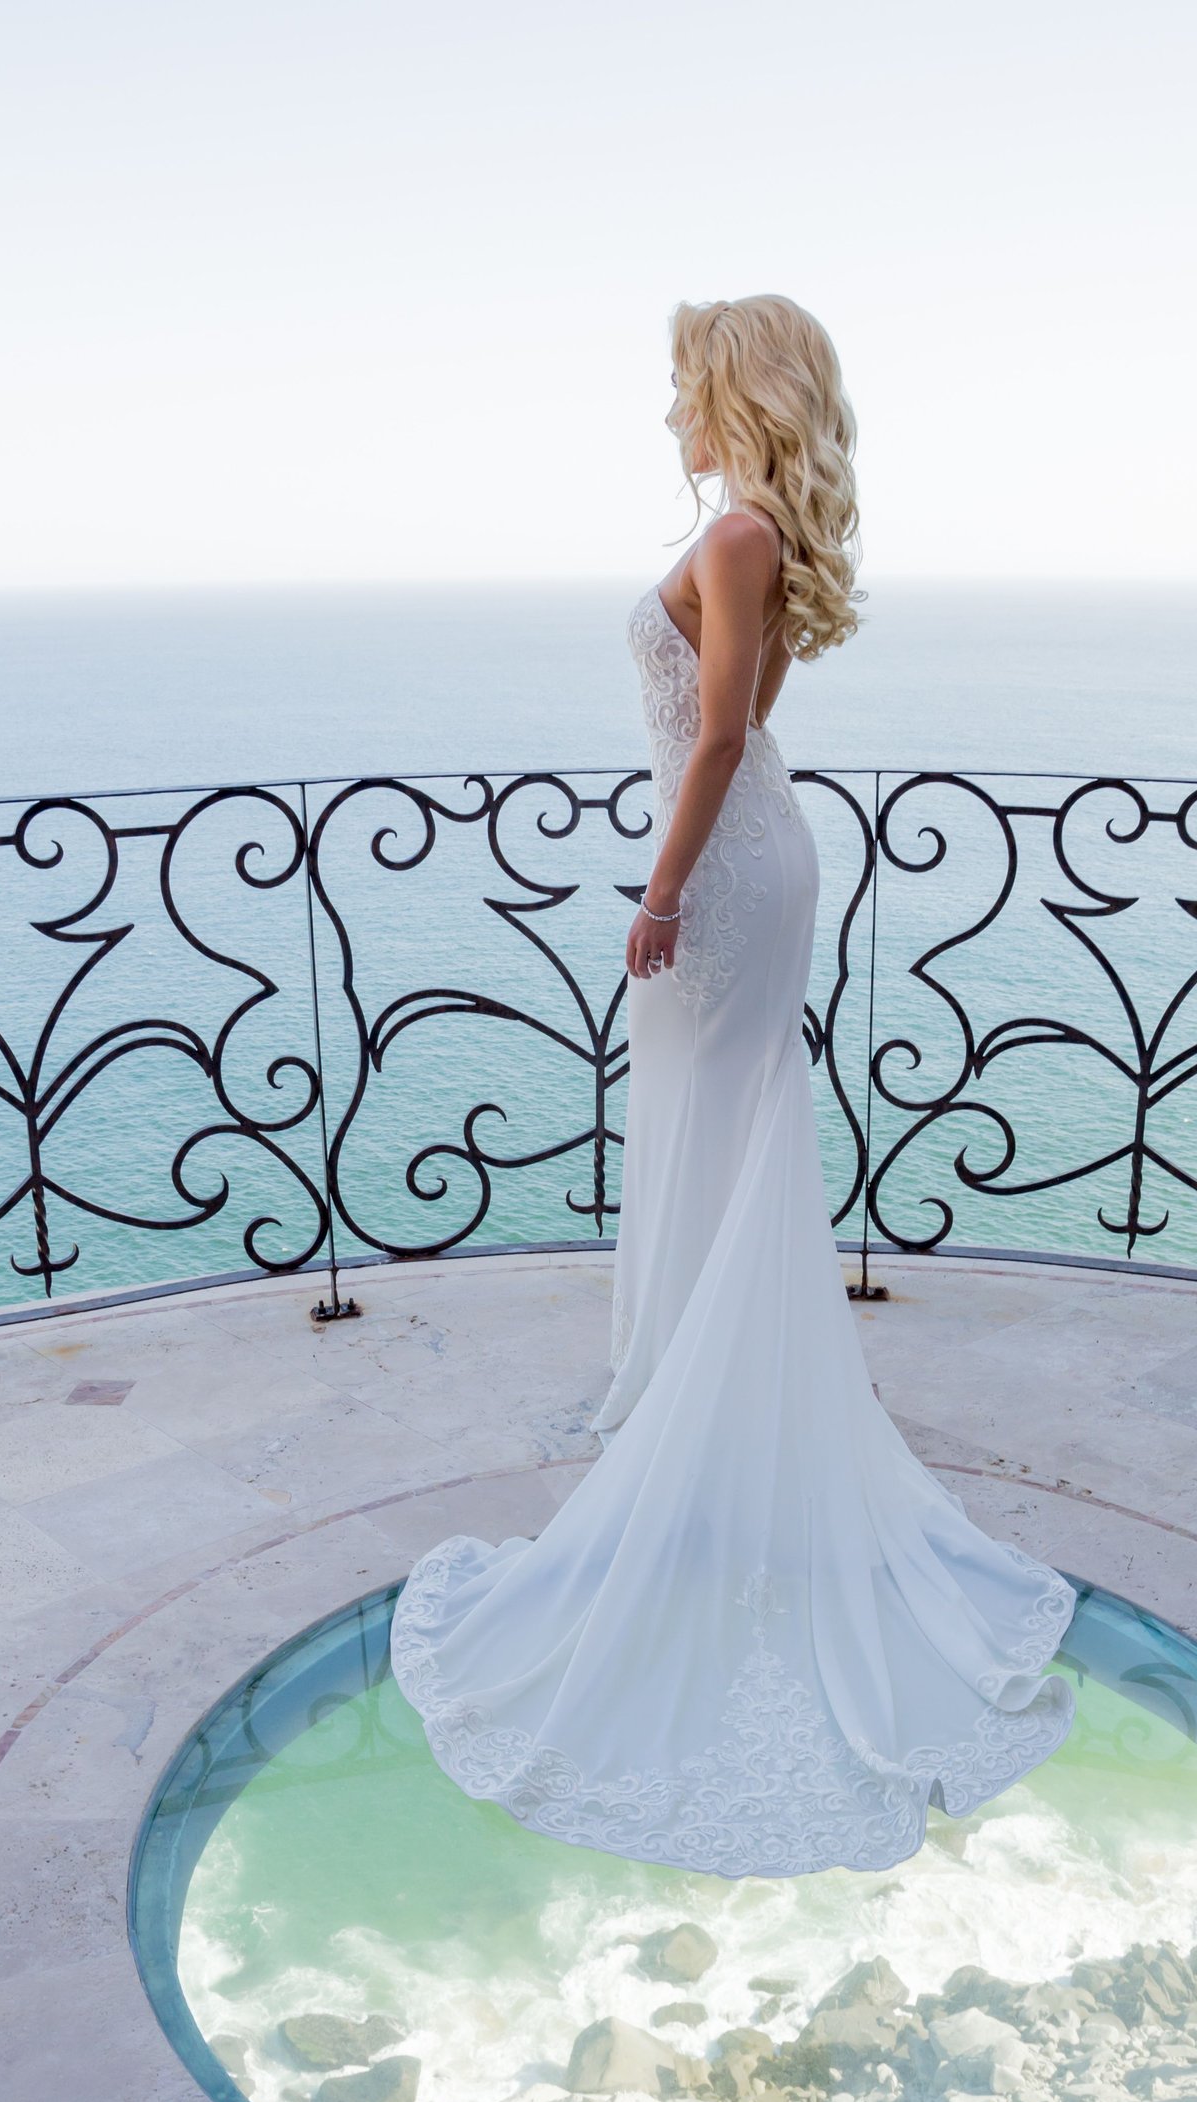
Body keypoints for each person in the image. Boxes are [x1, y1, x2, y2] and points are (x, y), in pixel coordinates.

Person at [388, 295, 1077, 1876]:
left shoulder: (741, 533)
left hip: (726, 870)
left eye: (680, 388)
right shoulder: (743, 537)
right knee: (717, 1138)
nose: (667, 415)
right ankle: (686, 1417)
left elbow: (716, 744)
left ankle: (698, 1435)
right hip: (748, 864)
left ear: (732, 395)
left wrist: (659, 894)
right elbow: (742, 720)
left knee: (726, 1138)